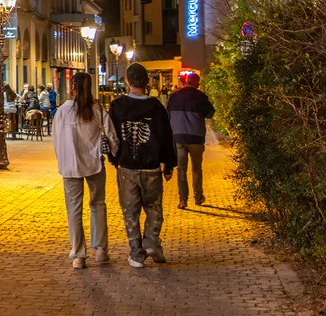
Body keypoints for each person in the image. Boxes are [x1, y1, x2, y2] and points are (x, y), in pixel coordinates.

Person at [107, 62, 177, 268]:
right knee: (153, 206)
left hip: (127, 166)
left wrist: (114, 158)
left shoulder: (117, 106)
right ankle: (152, 241)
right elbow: (166, 137)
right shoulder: (156, 107)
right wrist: (169, 164)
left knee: (130, 210)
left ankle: (136, 252)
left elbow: (112, 136)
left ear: (127, 81)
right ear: (147, 82)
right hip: (151, 166)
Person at [52, 72, 111, 269]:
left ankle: (79, 254)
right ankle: (101, 250)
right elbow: (111, 136)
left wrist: (62, 160)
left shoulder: (62, 111)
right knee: (98, 204)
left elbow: (56, 139)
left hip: (70, 166)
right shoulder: (98, 109)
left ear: (72, 87)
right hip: (94, 164)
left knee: (74, 210)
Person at [167, 72, 215, 208]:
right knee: (196, 169)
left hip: (179, 138)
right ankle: (198, 197)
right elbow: (210, 114)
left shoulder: (174, 96)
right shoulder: (201, 97)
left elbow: (168, 115)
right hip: (196, 138)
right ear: (198, 84)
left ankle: (183, 200)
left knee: (181, 170)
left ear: (185, 81)